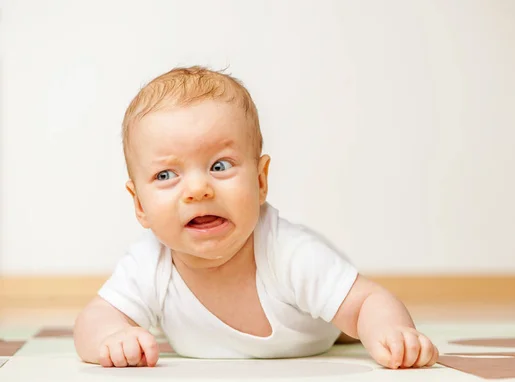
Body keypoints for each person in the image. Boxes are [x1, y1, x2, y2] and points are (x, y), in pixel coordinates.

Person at [73, 66, 439, 370]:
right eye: (166, 175)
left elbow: (368, 301)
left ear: (261, 181)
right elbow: (94, 318)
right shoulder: (149, 263)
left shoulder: (288, 253)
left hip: (314, 323)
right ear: (139, 205)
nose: (198, 189)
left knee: (347, 318)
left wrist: (391, 333)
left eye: (220, 166)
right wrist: (111, 337)